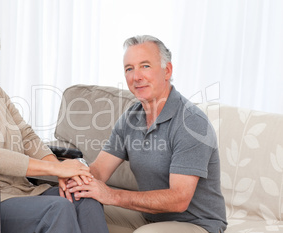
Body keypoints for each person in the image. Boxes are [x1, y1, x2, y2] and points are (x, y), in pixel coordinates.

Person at [0, 19, 109, 233]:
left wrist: (62, 173)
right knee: (57, 208)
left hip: (22, 191)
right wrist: (57, 167)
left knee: (84, 196)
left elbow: (27, 137)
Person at [67, 35, 227, 233]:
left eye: (145, 66)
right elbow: (99, 171)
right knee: (75, 209)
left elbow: (179, 200)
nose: (136, 77)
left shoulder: (191, 122)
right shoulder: (130, 118)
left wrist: (112, 195)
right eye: (129, 69)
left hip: (198, 224)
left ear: (167, 70)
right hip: (149, 218)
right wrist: (71, 177)